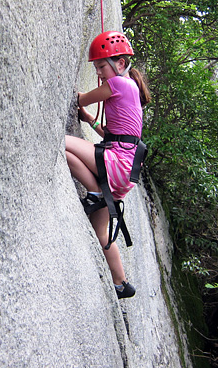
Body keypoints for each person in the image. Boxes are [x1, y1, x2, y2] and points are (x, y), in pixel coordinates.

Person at [65, 30, 151, 299]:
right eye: (96, 68)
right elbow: (116, 136)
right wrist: (90, 121)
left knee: (63, 143)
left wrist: (80, 102)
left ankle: (94, 192)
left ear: (120, 64)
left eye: (101, 66)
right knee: (100, 232)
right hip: (123, 170)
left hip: (115, 163)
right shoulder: (131, 90)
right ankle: (122, 283)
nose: (99, 72)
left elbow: (80, 98)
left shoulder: (119, 84)